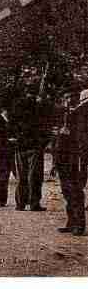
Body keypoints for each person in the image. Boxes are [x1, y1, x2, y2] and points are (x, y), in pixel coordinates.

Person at [51, 93, 86, 236]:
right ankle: (72, 222)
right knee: (68, 192)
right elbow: (59, 141)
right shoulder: (67, 116)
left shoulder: (79, 115)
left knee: (74, 191)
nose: (65, 102)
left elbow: (79, 141)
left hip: (72, 159)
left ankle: (78, 224)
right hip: (63, 159)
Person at [14, 94, 49, 211]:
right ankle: (34, 203)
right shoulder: (39, 115)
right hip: (34, 148)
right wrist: (42, 144)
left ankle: (20, 204)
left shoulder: (18, 115)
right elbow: (45, 131)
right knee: (34, 177)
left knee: (21, 177)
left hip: (20, 148)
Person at [0, 106, 17, 207]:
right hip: (3, 153)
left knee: (19, 175)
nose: (9, 111)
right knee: (3, 177)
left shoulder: (13, 120)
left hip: (14, 152)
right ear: (3, 110)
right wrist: (7, 141)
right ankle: (1, 200)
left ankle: (23, 199)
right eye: (7, 109)